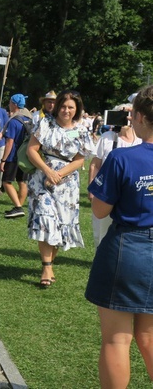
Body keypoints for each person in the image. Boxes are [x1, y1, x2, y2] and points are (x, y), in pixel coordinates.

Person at [85, 86, 153, 388]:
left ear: (138, 116)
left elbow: (100, 210)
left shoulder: (122, 158)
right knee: (149, 337)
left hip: (128, 249)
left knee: (117, 339)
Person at [26, 90, 94, 287]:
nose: (66, 110)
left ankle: (50, 262)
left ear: (77, 109)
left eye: (70, 107)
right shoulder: (45, 124)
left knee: (61, 225)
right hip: (42, 179)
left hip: (67, 184)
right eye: (63, 106)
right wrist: (48, 171)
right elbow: (32, 150)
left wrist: (60, 174)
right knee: (45, 218)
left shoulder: (80, 130)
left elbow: (80, 159)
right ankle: (46, 266)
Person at [87, 103, 140, 248]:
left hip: (131, 193)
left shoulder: (141, 139)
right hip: (107, 192)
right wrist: (92, 187)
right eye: (121, 115)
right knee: (102, 231)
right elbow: (95, 164)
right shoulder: (107, 137)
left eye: (129, 116)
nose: (125, 120)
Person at [0, 94, 33, 218]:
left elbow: (9, 142)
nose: (9, 105)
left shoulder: (14, 121)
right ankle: (18, 206)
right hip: (25, 155)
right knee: (22, 181)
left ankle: (18, 207)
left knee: (6, 182)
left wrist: (3, 160)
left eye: (10, 102)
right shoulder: (28, 119)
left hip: (13, 156)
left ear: (14, 104)